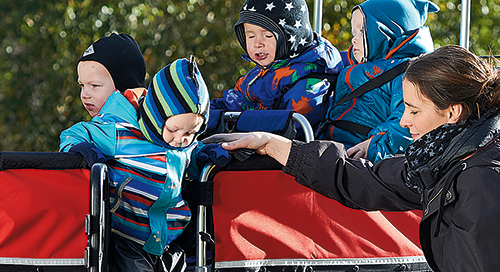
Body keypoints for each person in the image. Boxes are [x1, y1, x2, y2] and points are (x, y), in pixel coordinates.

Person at [206, 45, 500, 272]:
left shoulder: (483, 180)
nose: (403, 121)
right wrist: (274, 145)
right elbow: (363, 180)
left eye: (414, 111)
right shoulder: (448, 154)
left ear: (452, 112)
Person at [60, 58, 228, 272]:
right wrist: (82, 149)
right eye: (174, 129)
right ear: (157, 116)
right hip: (127, 237)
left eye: (190, 132)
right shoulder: (120, 132)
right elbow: (74, 133)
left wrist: (204, 156)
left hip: (166, 241)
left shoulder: (182, 144)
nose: (180, 138)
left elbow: (190, 156)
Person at [320, 0, 437, 162]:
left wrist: (374, 145)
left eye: (362, 31)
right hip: (334, 146)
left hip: (362, 155)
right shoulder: (358, 65)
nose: (354, 40)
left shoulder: (408, 73)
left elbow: (405, 120)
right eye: (353, 33)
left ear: (388, 31)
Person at [210, 0, 343, 129]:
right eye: (250, 36)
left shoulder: (312, 79)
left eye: (267, 35)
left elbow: (291, 126)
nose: (258, 43)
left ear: (291, 36)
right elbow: (233, 102)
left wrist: (234, 122)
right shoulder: (263, 72)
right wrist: (201, 114)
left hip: (280, 147)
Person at [78, 33, 148, 122]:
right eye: (82, 85)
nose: (84, 95)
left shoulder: (158, 127)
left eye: (94, 85)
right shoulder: (95, 131)